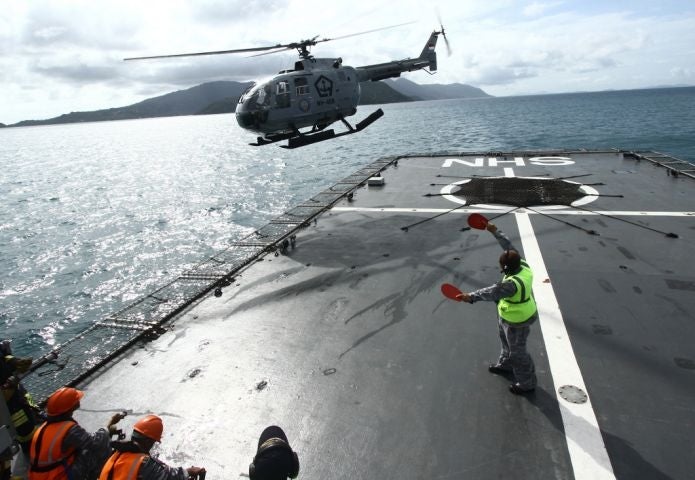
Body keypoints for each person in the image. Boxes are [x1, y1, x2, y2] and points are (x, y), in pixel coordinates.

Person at [456, 222, 538, 394]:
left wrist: (469, 297)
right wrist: (495, 231)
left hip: (517, 320)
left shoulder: (510, 284)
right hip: (508, 314)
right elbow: (509, 247)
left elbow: (491, 293)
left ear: (505, 268)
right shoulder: (522, 265)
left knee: (518, 353)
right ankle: (506, 364)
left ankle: (527, 383)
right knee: (505, 342)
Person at [28, 387, 124, 480]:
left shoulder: (44, 427)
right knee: (100, 447)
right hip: (59, 476)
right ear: (70, 407)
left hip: (42, 475)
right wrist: (109, 425)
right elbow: (95, 442)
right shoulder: (69, 430)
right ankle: (105, 475)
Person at [98, 414, 205, 480]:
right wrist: (189, 471)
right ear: (148, 441)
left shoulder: (116, 454)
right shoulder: (143, 462)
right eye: (153, 442)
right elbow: (169, 477)